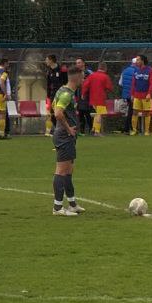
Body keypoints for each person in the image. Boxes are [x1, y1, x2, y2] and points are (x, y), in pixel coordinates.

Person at [50, 67, 85, 216]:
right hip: (64, 136)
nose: (83, 80)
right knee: (61, 171)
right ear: (77, 78)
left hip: (66, 136)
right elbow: (58, 113)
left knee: (68, 170)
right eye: (82, 77)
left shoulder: (62, 90)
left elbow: (53, 107)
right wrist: (68, 128)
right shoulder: (66, 94)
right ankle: (57, 208)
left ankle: (72, 204)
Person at [80, 61, 115, 137]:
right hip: (101, 98)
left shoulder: (92, 75)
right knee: (100, 114)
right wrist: (106, 91)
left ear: (98, 67)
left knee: (97, 113)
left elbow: (85, 85)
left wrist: (83, 94)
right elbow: (110, 88)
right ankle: (97, 131)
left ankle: (93, 128)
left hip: (92, 98)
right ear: (105, 68)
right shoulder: (105, 76)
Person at [130, 54, 152, 136]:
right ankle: (134, 130)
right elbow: (133, 83)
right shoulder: (136, 70)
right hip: (137, 95)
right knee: (135, 112)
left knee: (147, 113)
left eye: (138, 60)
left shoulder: (150, 70)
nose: (136, 61)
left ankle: (146, 131)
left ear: (142, 61)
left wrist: (149, 93)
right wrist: (132, 94)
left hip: (146, 96)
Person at [43, 54, 64, 135]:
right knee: (52, 113)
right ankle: (58, 129)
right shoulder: (49, 71)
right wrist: (48, 96)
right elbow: (48, 84)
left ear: (51, 60)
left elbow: (65, 82)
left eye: (47, 60)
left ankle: (64, 129)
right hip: (53, 95)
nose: (46, 61)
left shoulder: (61, 70)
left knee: (60, 112)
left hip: (62, 95)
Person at [118, 58, 138, 135]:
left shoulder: (125, 70)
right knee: (132, 111)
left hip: (126, 94)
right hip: (134, 94)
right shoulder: (137, 71)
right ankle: (129, 128)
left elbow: (120, 83)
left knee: (130, 110)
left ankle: (127, 128)